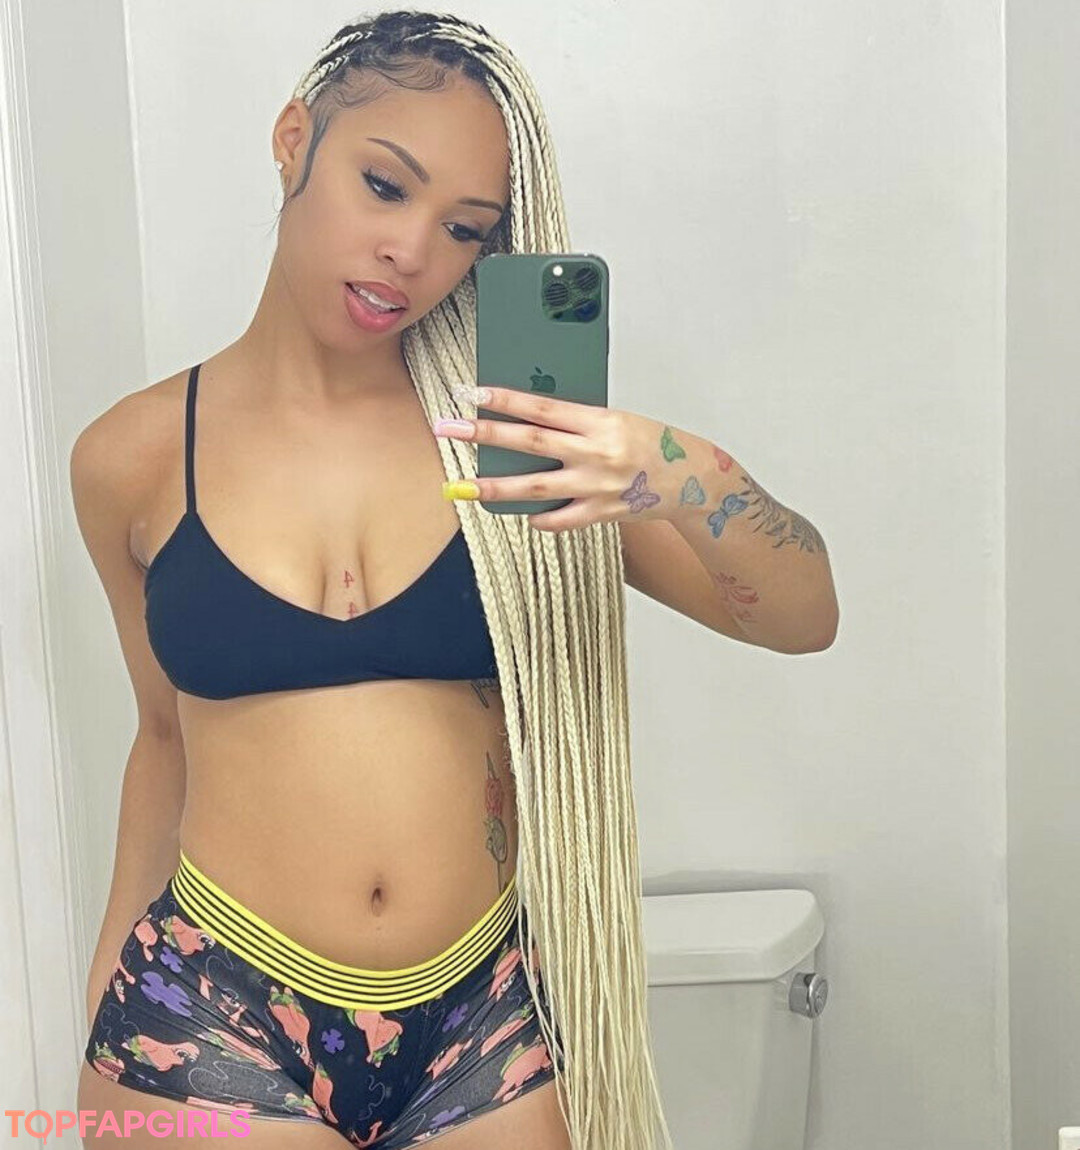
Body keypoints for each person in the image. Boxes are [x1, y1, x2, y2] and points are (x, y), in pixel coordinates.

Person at [73, 10, 837, 1149]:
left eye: (465, 228)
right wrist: (105, 990)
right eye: (385, 186)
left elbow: (803, 619)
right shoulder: (131, 456)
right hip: (211, 1009)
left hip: (479, 1017)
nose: (412, 250)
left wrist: (680, 469)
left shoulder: (521, 444)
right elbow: (161, 736)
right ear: (294, 141)